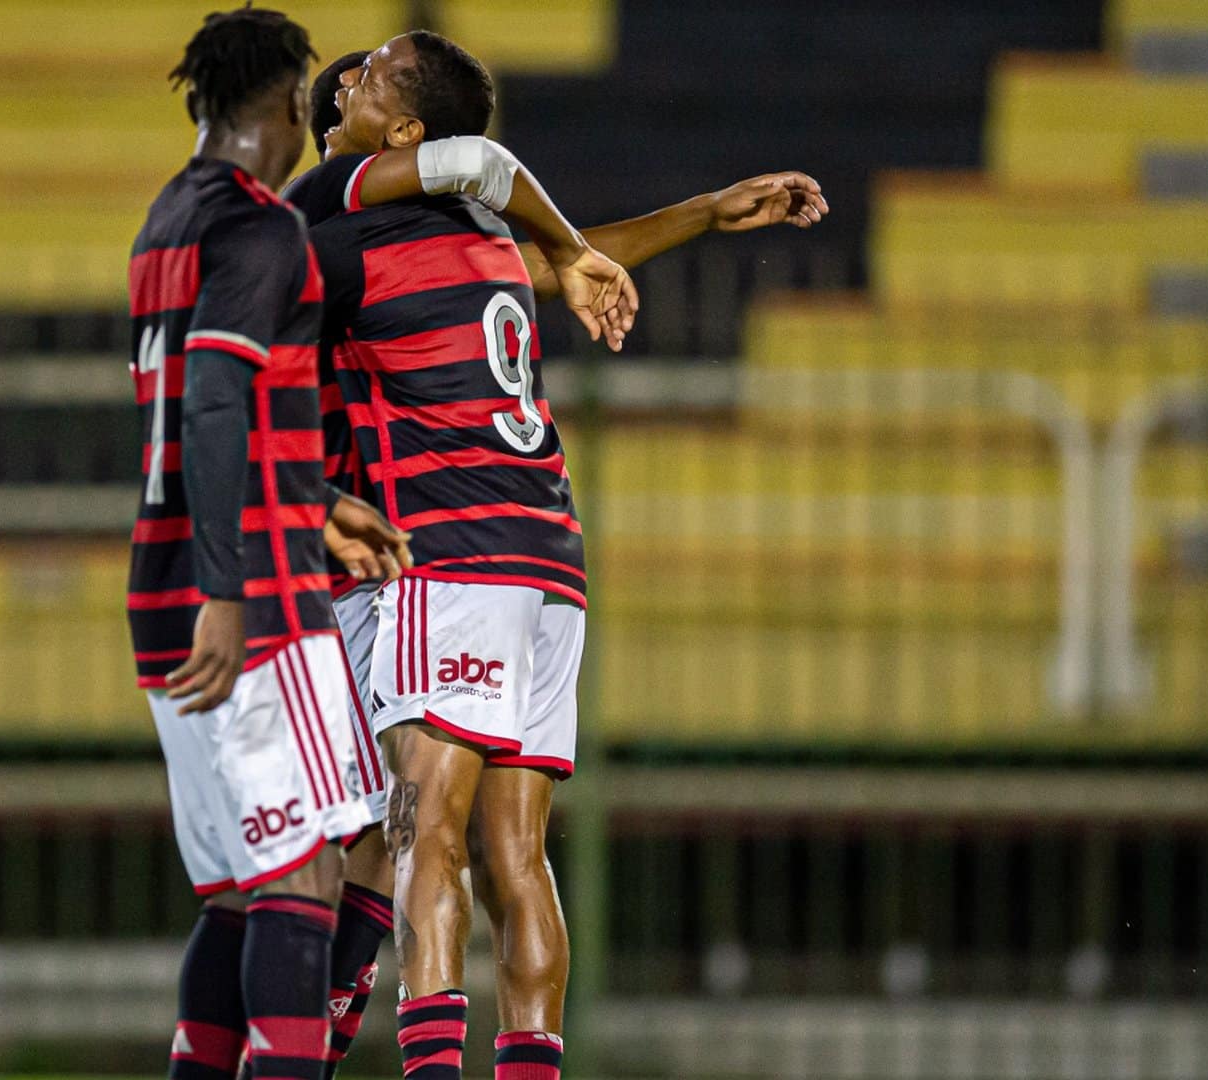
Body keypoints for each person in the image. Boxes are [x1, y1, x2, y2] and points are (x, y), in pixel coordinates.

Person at [283, 34, 830, 1080]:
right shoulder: (483, 243)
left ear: (398, 142)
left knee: (409, 833)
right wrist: (702, 214)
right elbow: (566, 250)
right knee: (510, 856)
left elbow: (509, 195)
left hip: (431, 550)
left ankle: (335, 1037)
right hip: (547, 559)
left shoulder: (340, 220)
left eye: (374, 77)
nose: (351, 81)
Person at [126, 11, 413, 1080]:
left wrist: (317, 497)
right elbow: (211, 402)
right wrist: (231, 586)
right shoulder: (261, 230)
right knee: (304, 882)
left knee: (243, 897)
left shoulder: (166, 221)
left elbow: (218, 413)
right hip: (253, 604)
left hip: (165, 588)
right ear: (292, 103)